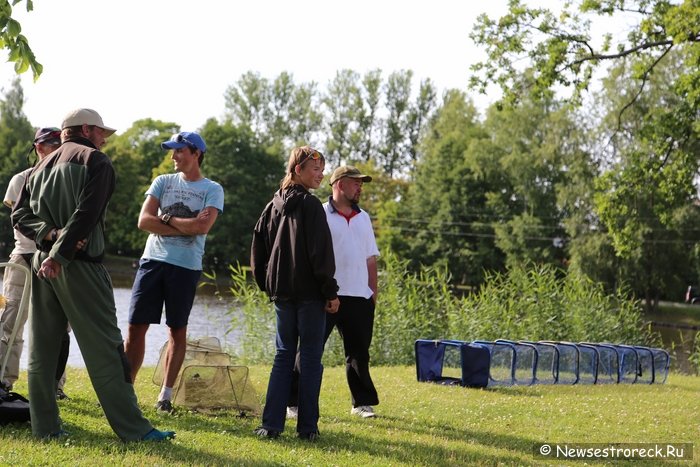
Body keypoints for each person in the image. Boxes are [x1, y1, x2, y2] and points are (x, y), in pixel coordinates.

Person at [12, 108, 173, 441]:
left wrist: (50, 238)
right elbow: (88, 213)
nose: (104, 139)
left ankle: (45, 428)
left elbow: (19, 215)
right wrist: (61, 252)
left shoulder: (39, 166)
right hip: (79, 265)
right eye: (102, 132)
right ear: (85, 129)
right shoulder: (97, 162)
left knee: (42, 350)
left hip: (41, 264)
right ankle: (135, 430)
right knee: (107, 350)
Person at [124, 131, 224, 414]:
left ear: (196, 153)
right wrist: (182, 222)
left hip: (186, 267)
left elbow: (202, 228)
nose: (173, 156)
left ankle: (164, 396)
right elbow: (144, 221)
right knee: (135, 328)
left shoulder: (212, 189)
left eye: (179, 151)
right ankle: (125, 391)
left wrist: (165, 218)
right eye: (173, 151)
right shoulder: (162, 182)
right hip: (152, 261)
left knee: (176, 331)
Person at [250, 146, 339, 441]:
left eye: (322, 169)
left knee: (283, 355)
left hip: (283, 294)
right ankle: (308, 428)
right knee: (311, 358)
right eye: (315, 169)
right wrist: (330, 291)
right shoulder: (312, 206)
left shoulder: (272, 205)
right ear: (297, 170)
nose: (321, 175)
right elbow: (320, 254)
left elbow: (258, 250)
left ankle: (270, 425)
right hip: (310, 295)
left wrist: (267, 283)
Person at [287, 165, 380, 419]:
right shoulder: (321, 213)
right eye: (356, 183)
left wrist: (373, 292)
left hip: (360, 296)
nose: (360, 187)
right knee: (308, 349)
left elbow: (371, 259)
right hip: (326, 296)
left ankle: (361, 403)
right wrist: (323, 292)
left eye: (361, 183)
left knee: (359, 354)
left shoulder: (364, 217)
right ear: (339, 184)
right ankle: (292, 402)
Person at [1, 127, 71, 400]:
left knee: (58, 325)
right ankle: (4, 381)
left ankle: (55, 386)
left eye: (56, 143)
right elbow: (20, 217)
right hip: (24, 255)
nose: (50, 148)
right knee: (11, 320)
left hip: (57, 257)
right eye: (45, 143)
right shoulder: (21, 179)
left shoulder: (68, 180)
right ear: (36, 147)